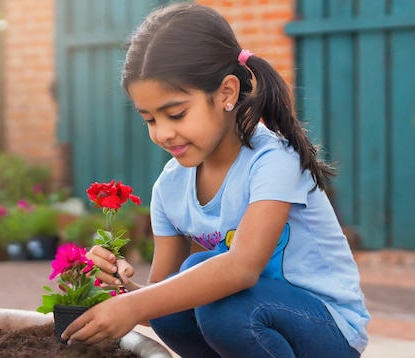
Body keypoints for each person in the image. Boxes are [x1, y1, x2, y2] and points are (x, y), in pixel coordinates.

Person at [61, 3, 370, 357]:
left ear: (226, 93)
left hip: (327, 331)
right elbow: (163, 299)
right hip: (253, 321)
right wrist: (119, 288)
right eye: (149, 119)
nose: (163, 133)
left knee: (215, 293)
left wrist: (135, 306)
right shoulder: (171, 186)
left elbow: (241, 269)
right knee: (181, 293)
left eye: (176, 113)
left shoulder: (272, 161)